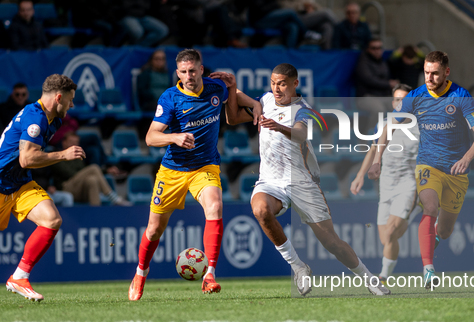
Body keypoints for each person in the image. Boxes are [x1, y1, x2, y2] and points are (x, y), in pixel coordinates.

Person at [216, 63, 391, 296]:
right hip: (270, 181)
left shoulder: (303, 109)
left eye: (282, 84)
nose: (277, 89)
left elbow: (300, 134)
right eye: (273, 83)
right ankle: (298, 267)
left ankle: (369, 278)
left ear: (295, 84)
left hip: (301, 181)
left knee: (331, 243)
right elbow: (233, 117)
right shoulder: (266, 100)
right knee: (260, 210)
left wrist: (277, 125)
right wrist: (234, 90)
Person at [370, 51, 474, 289]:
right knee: (430, 206)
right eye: (426, 72)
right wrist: (377, 158)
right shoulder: (415, 97)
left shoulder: (460, 96)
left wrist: (466, 158)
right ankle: (428, 270)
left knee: (444, 231)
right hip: (427, 165)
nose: (430, 78)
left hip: (456, 171)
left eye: (435, 73)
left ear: (446, 72)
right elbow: (389, 126)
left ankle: (434, 234)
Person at [128, 49, 232, 300]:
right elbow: (151, 137)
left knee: (215, 207)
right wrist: (174, 137)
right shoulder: (170, 98)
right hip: (173, 170)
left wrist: (251, 101)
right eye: (184, 72)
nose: (189, 76)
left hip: (205, 166)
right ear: (177, 73)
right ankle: (141, 272)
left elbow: (234, 99)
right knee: (154, 230)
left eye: (193, 71)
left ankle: (209, 275)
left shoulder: (216, 89)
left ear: (201, 69)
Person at [1, 74, 83, 301]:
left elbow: (32, 160)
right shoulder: (35, 117)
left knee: (52, 220)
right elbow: (27, 159)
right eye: (70, 99)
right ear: (58, 97)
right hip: (0, 183)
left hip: (19, 183)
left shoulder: (54, 119)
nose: (72, 104)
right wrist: (63, 155)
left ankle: (19, 276)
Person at [350, 84, 419, 284]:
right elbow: (372, 150)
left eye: (404, 100)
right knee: (386, 239)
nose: (400, 103)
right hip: (386, 185)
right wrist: (360, 175)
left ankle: (383, 277)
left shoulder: (420, 125)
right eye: (397, 100)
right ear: (392, 102)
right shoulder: (384, 124)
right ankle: (410, 214)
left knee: (390, 233)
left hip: (409, 182)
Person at [51, 132, 132, 207]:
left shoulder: (78, 157)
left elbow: (84, 172)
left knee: (92, 180)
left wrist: (106, 171)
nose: (73, 144)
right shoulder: (58, 156)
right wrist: (104, 171)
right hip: (65, 189)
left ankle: (96, 211)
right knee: (93, 168)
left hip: (79, 188)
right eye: (71, 142)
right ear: (64, 142)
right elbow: (71, 174)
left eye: (76, 142)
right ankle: (112, 197)